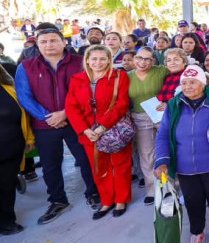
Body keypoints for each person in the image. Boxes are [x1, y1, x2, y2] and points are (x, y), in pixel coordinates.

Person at [15, 26, 100, 224]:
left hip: (77, 123)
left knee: (86, 159)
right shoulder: (26, 67)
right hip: (45, 125)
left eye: (53, 40)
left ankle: (94, 193)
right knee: (50, 166)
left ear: (64, 42)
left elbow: (89, 92)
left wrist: (65, 114)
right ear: (37, 44)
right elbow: (24, 97)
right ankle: (58, 200)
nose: (48, 45)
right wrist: (47, 117)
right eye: (43, 42)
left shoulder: (81, 62)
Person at [154, 66, 209, 243]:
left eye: (192, 82)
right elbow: (163, 135)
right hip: (185, 166)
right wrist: (162, 161)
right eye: (184, 83)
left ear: (203, 83)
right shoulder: (174, 104)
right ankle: (196, 232)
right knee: (193, 201)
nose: (188, 86)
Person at [65, 45, 132, 219]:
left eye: (103, 59)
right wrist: (85, 130)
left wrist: (102, 127)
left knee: (120, 166)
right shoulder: (77, 79)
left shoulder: (120, 76)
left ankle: (121, 200)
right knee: (99, 168)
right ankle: (107, 201)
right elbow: (71, 107)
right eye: (94, 58)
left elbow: (121, 104)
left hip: (114, 130)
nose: (98, 62)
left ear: (109, 60)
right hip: (88, 133)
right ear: (87, 60)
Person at [126, 46, 169, 206]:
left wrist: (168, 101)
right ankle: (152, 189)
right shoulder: (127, 76)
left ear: (153, 61)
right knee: (146, 154)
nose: (142, 62)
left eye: (147, 59)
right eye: (139, 58)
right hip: (139, 118)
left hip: (161, 116)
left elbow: (177, 83)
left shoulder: (161, 71)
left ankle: (170, 184)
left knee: (167, 150)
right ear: (134, 58)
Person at [0, 66, 35, 235]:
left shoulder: (10, 89)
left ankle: (7, 222)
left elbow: (23, 116)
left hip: (12, 148)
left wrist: (29, 139)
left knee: (7, 186)